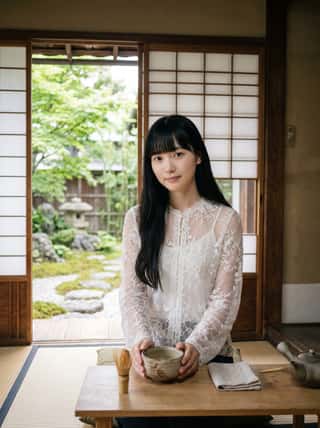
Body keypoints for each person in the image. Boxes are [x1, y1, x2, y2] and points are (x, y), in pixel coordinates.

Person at [117, 115, 243, 428]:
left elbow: (224, 299)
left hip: (211, 358)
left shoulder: (225, 220)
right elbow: (131, 291)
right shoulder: (137, 219)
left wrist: (197, 347)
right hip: (153, 360)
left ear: (198, 156)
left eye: (178, 154)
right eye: (158, 158)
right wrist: (141, 339)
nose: (168, 167)